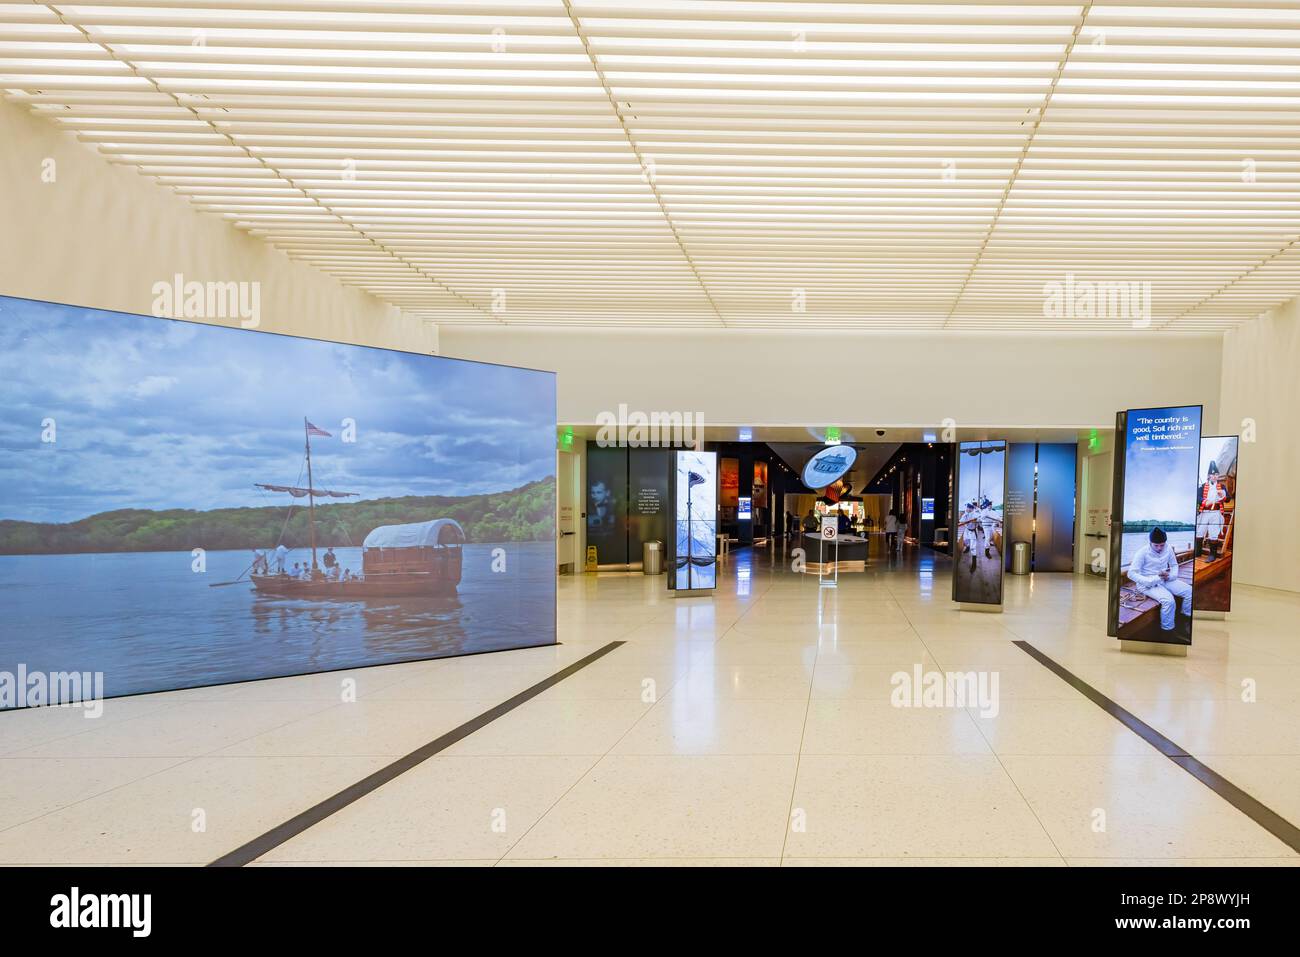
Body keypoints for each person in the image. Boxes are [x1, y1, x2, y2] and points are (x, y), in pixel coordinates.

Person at [1127, 527, 1193, 636]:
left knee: (1189, 591)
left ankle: (1184, 621)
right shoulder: (1142, 552)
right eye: (1156, 545)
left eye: (1162, 545)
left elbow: (1174, 565)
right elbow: (1131, 573)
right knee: (1169, 601)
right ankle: (1168, 632)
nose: (1159, 548)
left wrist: (1171, 576)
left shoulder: (1168, 548)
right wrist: (1148, 581)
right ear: (1150, 542)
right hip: (1147, 584)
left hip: (1164, 579)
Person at [1196, 461, 1227, 561]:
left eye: (1216, 475)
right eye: (1213, 475)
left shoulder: (1222, 487)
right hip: (1204, 512)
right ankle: (1197, 552)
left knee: (1213, 533)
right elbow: (1197, 497)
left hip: (1216, 513)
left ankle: (1212, 555)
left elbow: (1228, 498)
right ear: (1209, 476)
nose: (1215, 476)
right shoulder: (1203, 486)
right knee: (1199, 532)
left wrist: (1223, 495)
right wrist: (1204, 501)